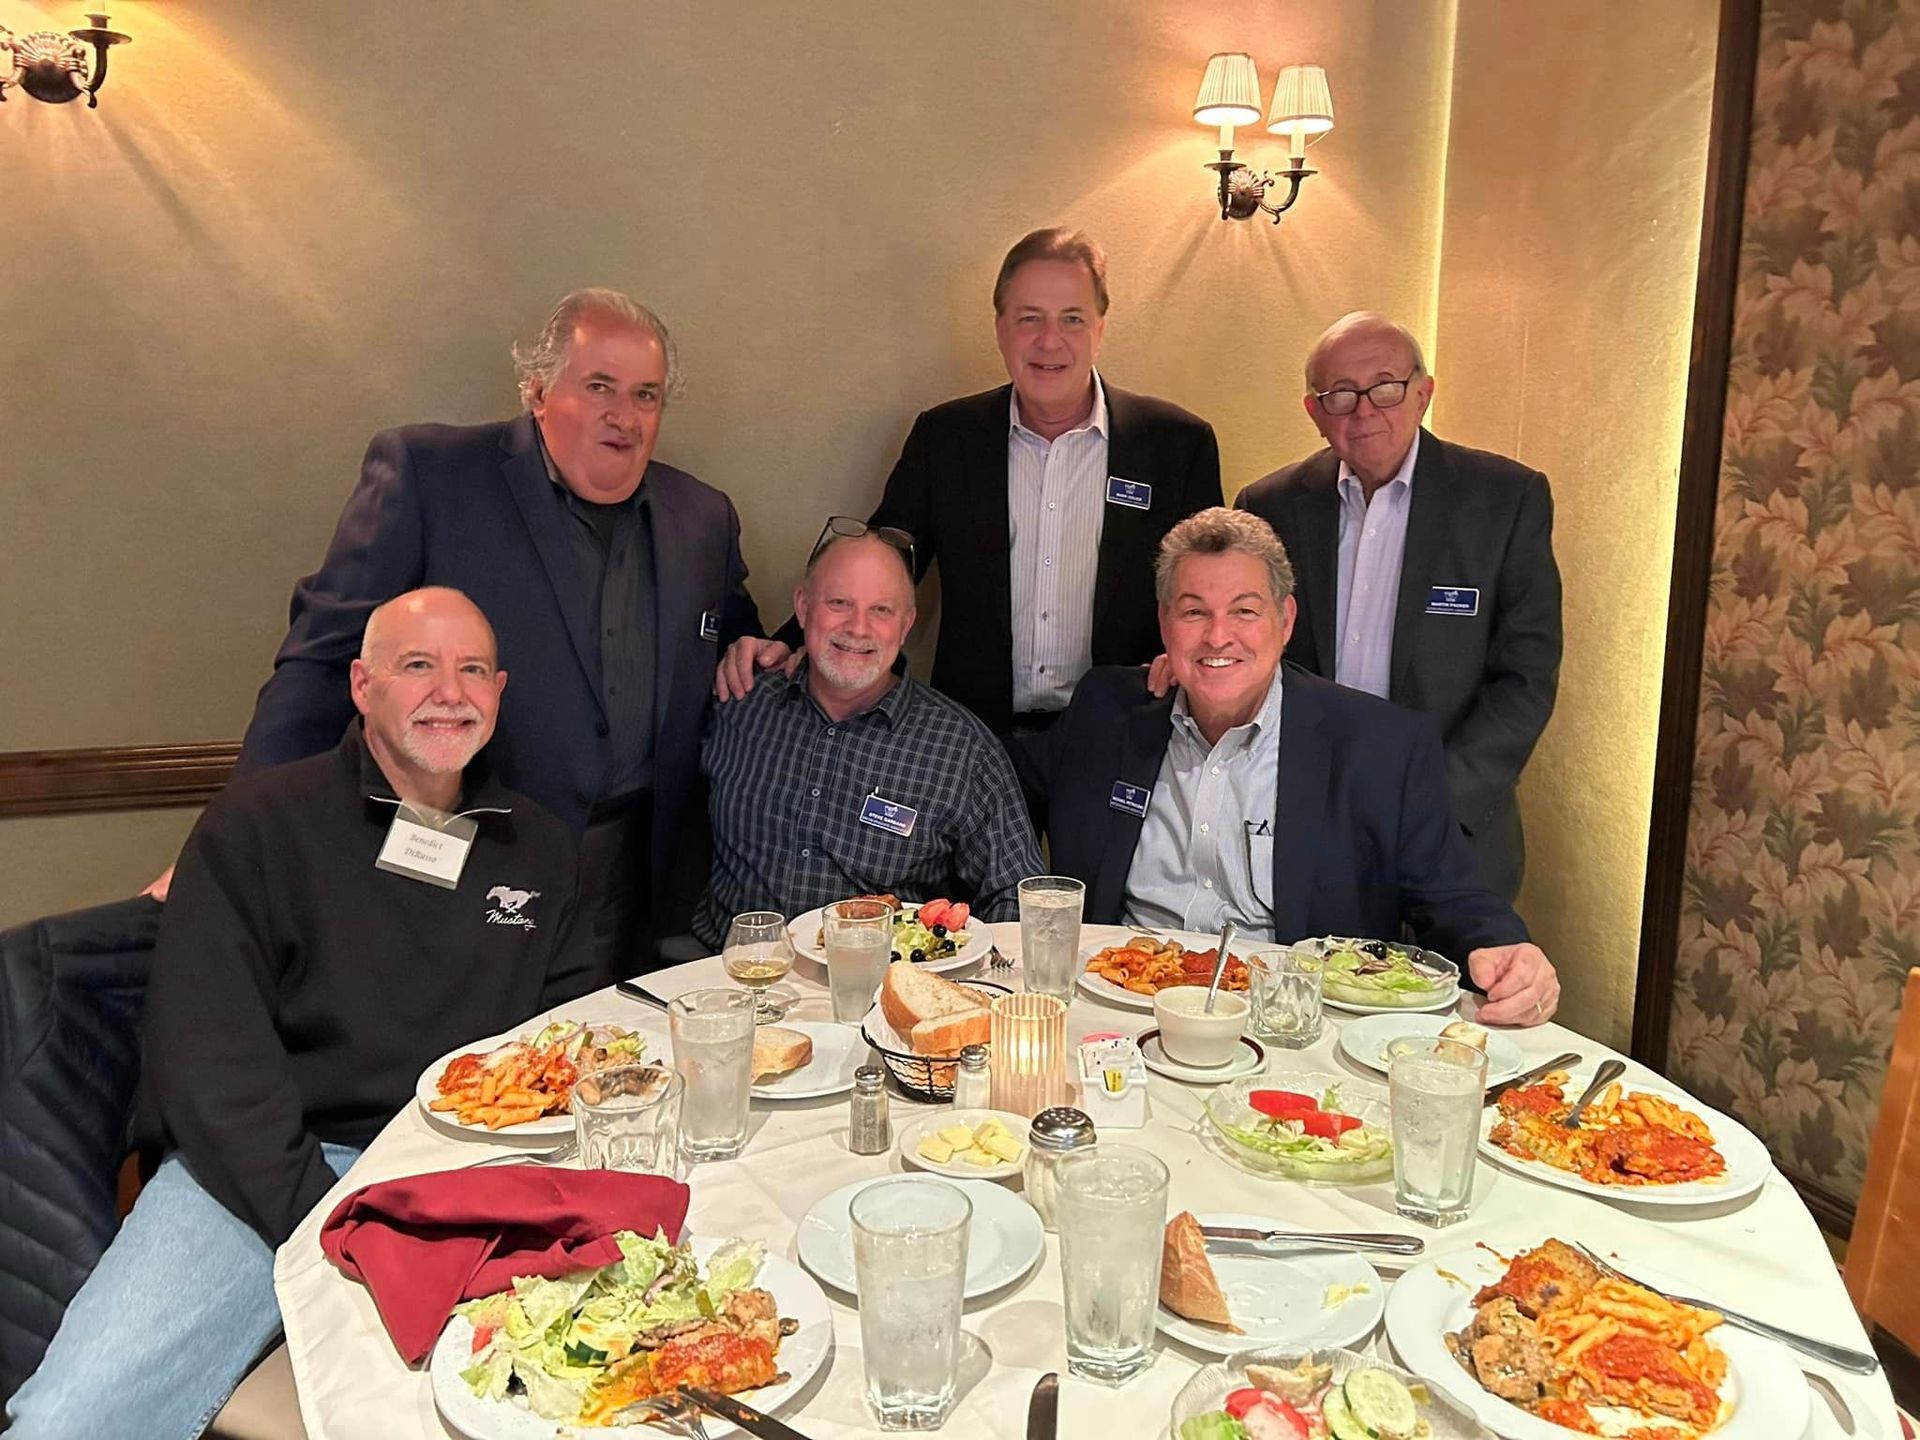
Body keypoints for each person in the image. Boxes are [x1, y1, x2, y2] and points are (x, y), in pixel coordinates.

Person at [8, 589, 595, 1439]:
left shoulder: (541, 848)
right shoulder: (259, 825)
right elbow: (210, 1066)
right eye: (418, 665)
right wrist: (331, 1219)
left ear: (499, 692)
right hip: (265, 1168)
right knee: (71, 1420)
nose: (450, 691)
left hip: (466, 1170)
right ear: (362, 685)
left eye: (472, 670)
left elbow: (565, 1041)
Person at [149, 289, 763, 979]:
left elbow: (731, 640)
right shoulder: (431, 476)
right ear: (537, 391)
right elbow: (320, 666)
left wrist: (757, 648)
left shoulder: (703, 518)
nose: (624, 415)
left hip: (630, 883)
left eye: (646, 395)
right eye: (599, 387)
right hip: (455, 860)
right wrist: (230, 849)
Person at [1015, 509, 1560, 1026]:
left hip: (1289, 1025)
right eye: (1194, 612)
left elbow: (1453, 895)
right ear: (1164, 622)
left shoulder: (1379, 745)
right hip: (1118, 1009)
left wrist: (1504, 949)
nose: (1218, 636)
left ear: (1285, 620)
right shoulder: (1106, 712)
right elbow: (998, 780)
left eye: (1245, 611)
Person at [716, 227, 1221, 735]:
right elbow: (881, 562)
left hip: (1126, 730)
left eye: (1072, 318)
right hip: (971, 734)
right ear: (1000, 329)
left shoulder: (1176, 445)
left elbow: (1211, 589)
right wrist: (789, 640)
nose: (1050, 341)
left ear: (1100, 328)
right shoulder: (945, 438)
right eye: (1029, 318)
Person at [1234, 311, 1561, 901]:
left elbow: (1525, 678)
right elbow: (1246, 649)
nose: (1364, 411)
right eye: (1340, 394)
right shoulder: (1269, 506)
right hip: (1301, 821)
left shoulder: (1505, 500)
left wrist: (1435, 803)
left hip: (1452, 828)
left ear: (1423, 394)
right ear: (1314, 412)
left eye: (1385, 387)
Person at [694, 521, 1043, 950]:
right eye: (839, 603)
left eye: (881, 610)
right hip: (732, 972)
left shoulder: (962, 750)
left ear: (906, 625)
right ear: (803, 608)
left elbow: (1019, 897)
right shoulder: (740, 701)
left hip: (881, 982)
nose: (858, 628)